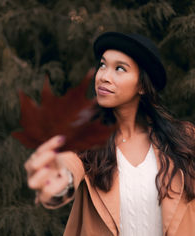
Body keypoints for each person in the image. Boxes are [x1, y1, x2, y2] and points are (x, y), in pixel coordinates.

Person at [25, 32, 195, 236]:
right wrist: (59, 180)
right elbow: (67, 164)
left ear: (142, 85)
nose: (104, 76)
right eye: (103, 65)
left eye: (120, 69)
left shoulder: (184, 138)